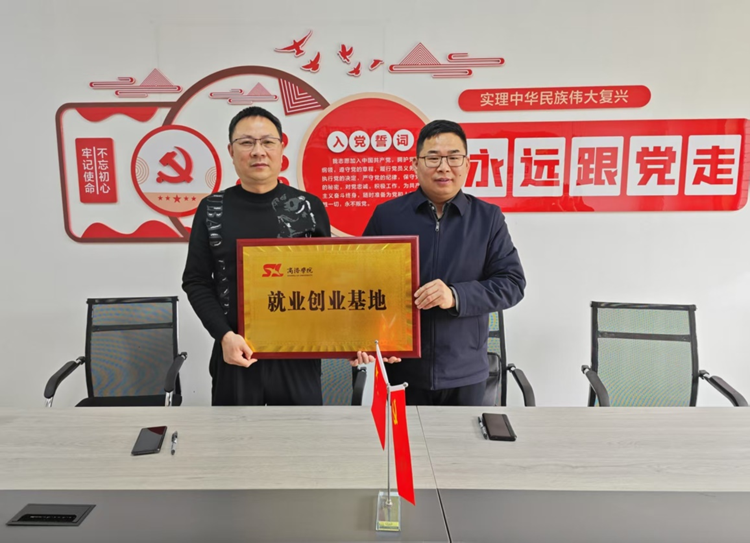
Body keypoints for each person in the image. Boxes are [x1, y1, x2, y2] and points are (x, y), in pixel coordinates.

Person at [353, 120, 525, 406]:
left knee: (463, 438)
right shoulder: (387, 216)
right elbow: (361, 284)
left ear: (467, 164)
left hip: (466, 372)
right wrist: (364, 338)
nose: (444, 167)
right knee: (402, 437)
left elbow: (512, 284)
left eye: (453, 158)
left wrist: (455, 295)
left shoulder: (488, 218)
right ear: (415, 164)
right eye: (433, 158)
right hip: (402, 369)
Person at [182, 106, 331, 406]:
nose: (258, 151)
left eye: (267, 142)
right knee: (235, 435)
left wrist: (351, 337)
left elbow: (329, 279)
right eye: (247, 142)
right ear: (231, 150)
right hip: (235, 352)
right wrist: (224, 335)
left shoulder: (308, 207)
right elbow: (196, 281)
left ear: (282, 147)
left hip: (298, 354)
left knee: (301, 434)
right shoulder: (212, 209)